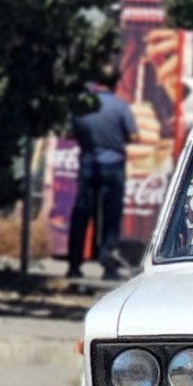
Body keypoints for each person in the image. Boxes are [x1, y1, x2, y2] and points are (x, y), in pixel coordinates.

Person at [68, 66, 138, 280]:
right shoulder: (120, 107)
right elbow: (134, 136)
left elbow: (72, 132)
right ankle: (107, 265)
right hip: (114, 166)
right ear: (116, 83)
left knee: (82, 215)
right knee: (110, 218)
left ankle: (74, 265)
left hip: (88, 164)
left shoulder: (83, 107)